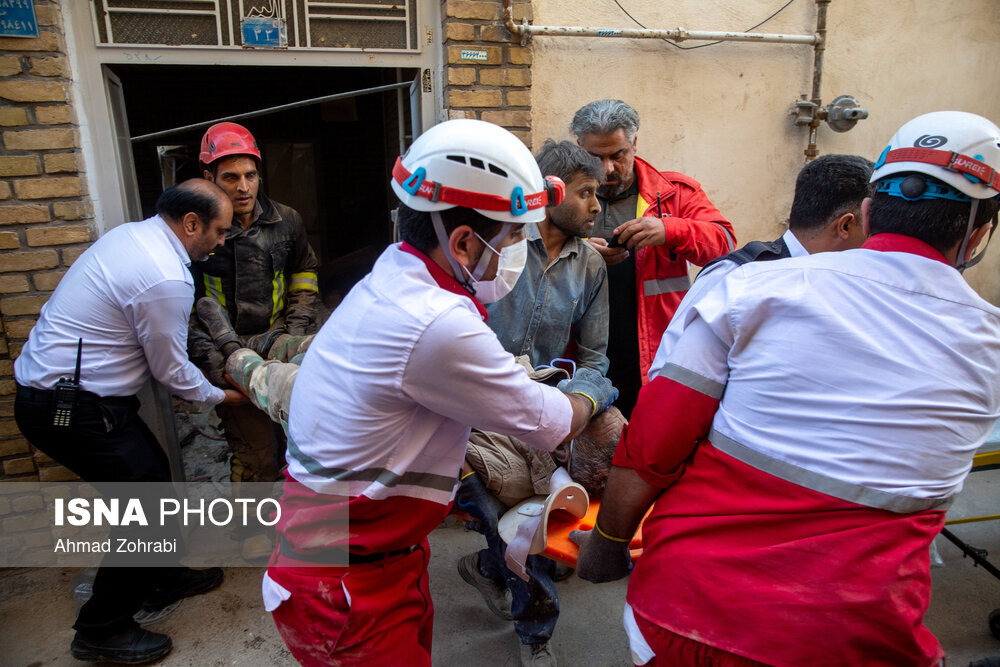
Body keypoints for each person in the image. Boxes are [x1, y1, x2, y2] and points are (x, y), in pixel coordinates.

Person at [572, 110, 1000, 666]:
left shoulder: (747, 288)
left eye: (618, 154)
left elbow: (651, 447)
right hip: (859, 640)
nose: (608, 168)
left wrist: (607, 545)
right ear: (982, 232)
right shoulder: (989, 346)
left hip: (684, 615)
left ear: (867, 212)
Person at [262, 119, 616, 665]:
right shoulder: (433, 322)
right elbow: (547, 422)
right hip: (344, 571)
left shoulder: (399, 270)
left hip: (370, 545)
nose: (521, 248)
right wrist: (592, 392)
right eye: (515, 236)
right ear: (464, 241)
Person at [13, 180, 245, 664]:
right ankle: (102, 629)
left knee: (154, 479)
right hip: (69, 409)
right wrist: (222, 395)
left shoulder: (133, 236)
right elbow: (171, 369)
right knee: (147, 506)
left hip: (75, 399)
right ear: (190, 223)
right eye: (219, 231)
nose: (222, 241)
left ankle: (160, 575)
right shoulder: (164, 276)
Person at [456, 139, 611, 667]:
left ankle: (488, 568)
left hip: (540, 406)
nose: (596, 207)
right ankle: (536, 635)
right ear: (552, 191)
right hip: (471, 408)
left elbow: (594, 361)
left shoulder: (590, 266)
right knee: (511, 517)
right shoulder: (495, 248)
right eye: (588, 193)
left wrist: (577, 406)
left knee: (537, 518)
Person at [570, 99, 735, 417]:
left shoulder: (675, 193)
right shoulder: (557, 196)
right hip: (578, 351)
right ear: (579, 146)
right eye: (595, 157)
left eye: (617, 156)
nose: (608, 169)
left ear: (634, 143)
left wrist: (671, 230)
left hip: (653, 350)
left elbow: (725, 243)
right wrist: (578, 253)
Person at [649, 153, 873, 377]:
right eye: (873, 228)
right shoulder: (731, 279)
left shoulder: (851, 287)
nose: (874, 241)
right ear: (845, 225)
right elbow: (666, 374)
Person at [189, 121, 320, 484]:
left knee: (300, 440)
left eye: (250, 175)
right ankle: (251, 534)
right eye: (230, 177)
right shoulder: (197, 231)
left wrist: (294, 334)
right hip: (226, 349)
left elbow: (304, 274)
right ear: (208, 176)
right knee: (258, 459)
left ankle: (297, 526)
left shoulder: (286, 220)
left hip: (278, 339)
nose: (243, 187)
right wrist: (212, 363)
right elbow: (186, 308)